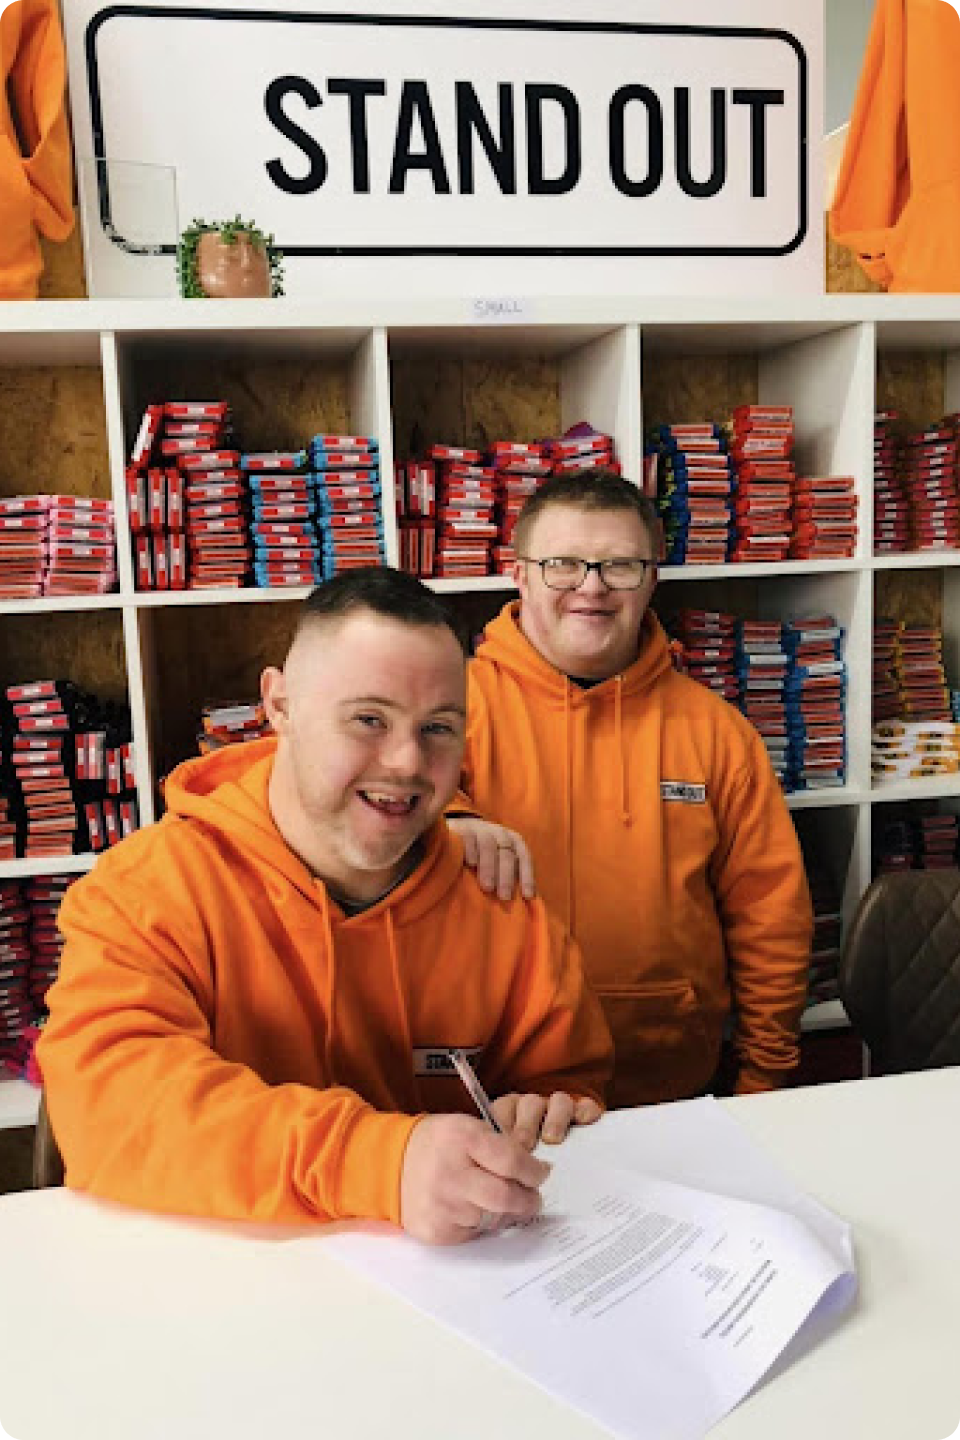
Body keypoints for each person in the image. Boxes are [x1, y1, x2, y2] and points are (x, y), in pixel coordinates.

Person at [38, 568, 612, 1245]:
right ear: (278, 704)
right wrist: (375, 1163)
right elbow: (111, 1103)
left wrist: (542, 1112)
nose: (405, 761)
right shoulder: (147, 890)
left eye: (438, 728)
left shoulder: (501, 900)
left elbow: (569, 1084)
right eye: (368, 719)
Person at [448, 472, 813, 1108]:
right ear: (521, 574)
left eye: (620, 565)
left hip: (673, 1086)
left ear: (651, 580)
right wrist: (446, 815)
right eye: (563, 564)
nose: (591, 586)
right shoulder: (448, 713)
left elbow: (770, 916)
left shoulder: (717, 731)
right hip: (496, 1099)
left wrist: (764, 1080)